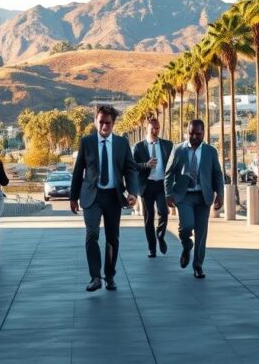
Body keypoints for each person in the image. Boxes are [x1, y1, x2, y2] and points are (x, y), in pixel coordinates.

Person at [70, 105, 139, 292]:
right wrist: (73, 197)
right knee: (92, 234)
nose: (104, 127)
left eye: (108, 123)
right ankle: (95, 277)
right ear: (95, 122)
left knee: (112, 238)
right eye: (101, 122)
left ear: (113, 124)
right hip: (92, 196)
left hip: (113, 196)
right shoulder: (87, 142)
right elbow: (78, 171)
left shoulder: (122, 143)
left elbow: (130, 169)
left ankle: (109, 276)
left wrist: (133, 192)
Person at [164, 119, 224, 279]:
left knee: (201, 233)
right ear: (187, 132)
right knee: (186, 226)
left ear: (204, 133)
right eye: (192, 133)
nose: (195, 137)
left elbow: (217, 174)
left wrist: (220, 195)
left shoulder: (211, 151)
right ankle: (186, 244)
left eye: (198, 134)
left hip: (204, 197)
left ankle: (198, 266)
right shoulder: (179, 149)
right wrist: (168, 193)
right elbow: (169, 173)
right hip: (184, 195)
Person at [133, 117, 173, 258]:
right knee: (149, 218)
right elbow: (133, 166)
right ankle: (151, 248)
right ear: (147, 129)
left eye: (157, 128)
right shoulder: (139, 147)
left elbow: (172, 165)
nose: (155, 131)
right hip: (147, 185)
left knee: (164, 212)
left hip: (162, 185)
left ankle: (160, 235)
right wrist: (146, 165)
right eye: (152, 129)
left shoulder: (168, 145)